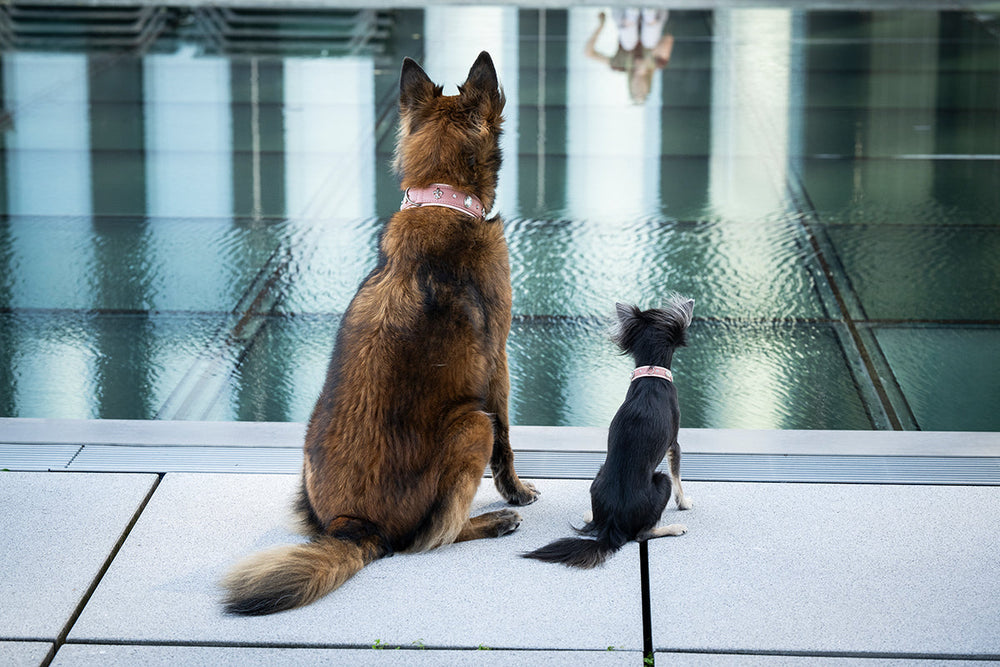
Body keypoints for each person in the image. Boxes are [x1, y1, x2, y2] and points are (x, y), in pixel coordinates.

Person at [584, 8, 674, 104]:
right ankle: (649, 14)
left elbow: (589, 53)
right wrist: (647, 60)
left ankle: (632, 14)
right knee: (649, 43)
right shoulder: (658, 63)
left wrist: (601, 25)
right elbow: (668, 39)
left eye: (635, 92)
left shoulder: (619, 65)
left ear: (630, 87)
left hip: (625, 14)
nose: (639, 88)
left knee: (628, 45)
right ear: (648, 87)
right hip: (655, 14)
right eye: (642, 92)